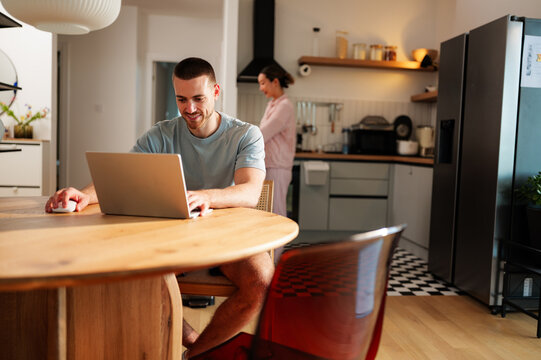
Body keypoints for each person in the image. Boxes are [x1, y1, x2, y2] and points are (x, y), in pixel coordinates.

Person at [45, 57, 274, 359]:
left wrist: (206, 196)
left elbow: (249, 191)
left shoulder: (246, 134)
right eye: (181, 99)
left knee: (262, 281)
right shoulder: (161, 134)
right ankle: (194, 343)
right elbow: (123, 176)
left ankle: (195, 354)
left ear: (216, 91)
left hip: (228, 237)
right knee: (126, 272)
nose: (189, 109)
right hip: (172, 237)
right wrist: (84, 195)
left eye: (198, 98)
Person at [257, 65, 296, 219]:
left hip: (278, 167)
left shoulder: (285, 106)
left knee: (276, 213)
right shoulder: (272, 104)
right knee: (268, 212)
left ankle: (280, 244)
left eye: (262, 83)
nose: (260, 88)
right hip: (269, 165)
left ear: (275, 82)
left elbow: (264, 133)